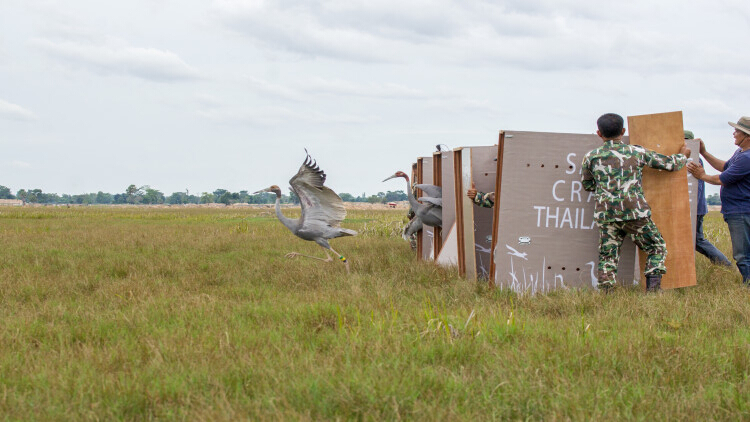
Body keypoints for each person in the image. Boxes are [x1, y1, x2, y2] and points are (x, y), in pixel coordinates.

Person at [582, 113, 690, 292]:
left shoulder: (591, 157)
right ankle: (653, 291)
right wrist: (683, 155)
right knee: (656, 246)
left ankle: (606, 294)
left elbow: (587, 185)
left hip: (606, 214)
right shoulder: (636, 152)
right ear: (623, 131)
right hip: (635, 213)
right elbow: (669, 165)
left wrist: (607, 192)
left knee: (608, 255)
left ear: (599, 133)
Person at [687, 116, 750, 285]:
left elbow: (722, 178)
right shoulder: (740, 153)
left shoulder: (747, 158)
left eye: (737, 131)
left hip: (741, 210)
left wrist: (701, 175)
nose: (734, 133)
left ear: (747, 136)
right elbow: (724, 167)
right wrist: (704, 152)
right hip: (737, 210)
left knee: (742, 253)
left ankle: (748, 285)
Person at [684, 130, 732, 267]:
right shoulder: (693, 158)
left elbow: (695, 190)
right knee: (697, 240)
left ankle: (725, 264)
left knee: (698, 240)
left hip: (695, 208)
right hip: (697, 207)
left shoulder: (693, 160)